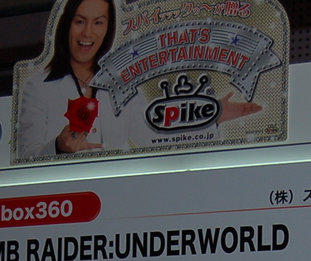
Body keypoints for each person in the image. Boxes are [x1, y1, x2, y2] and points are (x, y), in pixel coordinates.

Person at [15, 0, 262, 159]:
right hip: (63, 203)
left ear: (108, 29)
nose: (88, 32)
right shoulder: (37, 88)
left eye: (98, 23)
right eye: (80, 21)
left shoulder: (121, 86)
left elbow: (154, 137)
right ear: (66, 26)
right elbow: (24, 155)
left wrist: (209, 117)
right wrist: (58, 147)